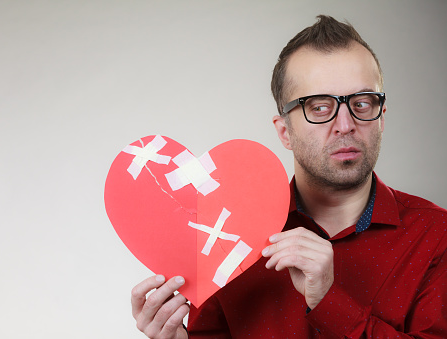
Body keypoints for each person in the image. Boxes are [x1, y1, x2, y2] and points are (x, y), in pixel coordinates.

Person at [130, 15, 447, 338]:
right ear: (285, 132)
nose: (346, 124)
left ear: (381, 117)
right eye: (319, 107)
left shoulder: (438, 236)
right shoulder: (226, 237)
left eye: (362, 103)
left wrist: (328, 301)